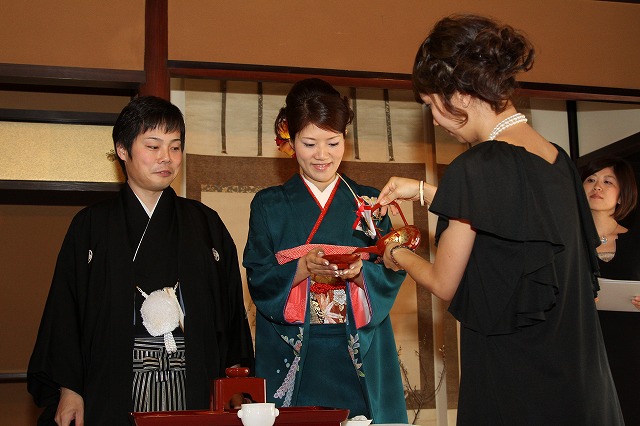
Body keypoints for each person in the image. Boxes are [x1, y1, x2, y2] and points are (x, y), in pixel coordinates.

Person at [376, 14, 624, 425]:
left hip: (518, 378)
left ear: (459, 94)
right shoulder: (558, 159)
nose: (433, 119)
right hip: (577, 376)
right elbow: (513, 221)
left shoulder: (475, 165)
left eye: (431, 105)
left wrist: (395, 252)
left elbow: (443, 282)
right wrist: (422, 190)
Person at [27, 96, 254, 425]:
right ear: (122, 149)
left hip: (193, 382)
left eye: (175, 147)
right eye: (153, 146)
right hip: (113, 384)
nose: (167, 158)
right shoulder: (91, 226)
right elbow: (65, 312)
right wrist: (70, 388)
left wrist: (234, 383)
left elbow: (229, 310)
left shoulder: (206, 224)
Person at [243, 78, 408, 424]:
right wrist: (301, 268)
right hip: (295, 347)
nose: (322, 155)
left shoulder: (369, 203)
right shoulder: (269, 205)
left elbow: (394, 268)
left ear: (345, 137)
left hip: (358, 344)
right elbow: (258, 276)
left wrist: (362, 272)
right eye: (309, 143)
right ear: (289, 139)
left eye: (333, 142)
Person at [581, 157, 639, 425]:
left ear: (622, 194)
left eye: (608, 182)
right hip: (582, 343)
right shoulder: (567, 242)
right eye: (591, 180)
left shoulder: (636, 240)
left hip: (631, 345)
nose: (597, 187)